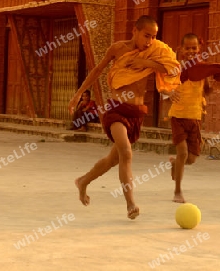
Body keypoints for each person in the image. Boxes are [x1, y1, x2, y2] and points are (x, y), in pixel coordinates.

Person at [70, 15, 181, 220]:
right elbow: (97, 70)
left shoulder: (155, 51)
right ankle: (130, 204)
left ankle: (83, 181)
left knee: (113, 159)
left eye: (153, 36)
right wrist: (78, 94)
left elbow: (172, 68)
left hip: (137, 113)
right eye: (146, 36)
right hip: (116, 109)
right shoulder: (118, 49)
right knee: (126, 153)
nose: (149, 41)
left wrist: (145, 62)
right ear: (135, 31)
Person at [168, 33, 220, 203]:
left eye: (194, 48)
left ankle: (175, 164)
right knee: (182, 152)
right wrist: (169, 93)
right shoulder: (176, 69)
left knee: (190, 159)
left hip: (195, 118)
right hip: (178, 116)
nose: (191, 51)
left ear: (199, 49)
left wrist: (215, 87)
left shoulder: (201, 71)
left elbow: (206, 92)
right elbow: (166, 89)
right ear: (181, 49)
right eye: (187, 48)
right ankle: (177, 191)